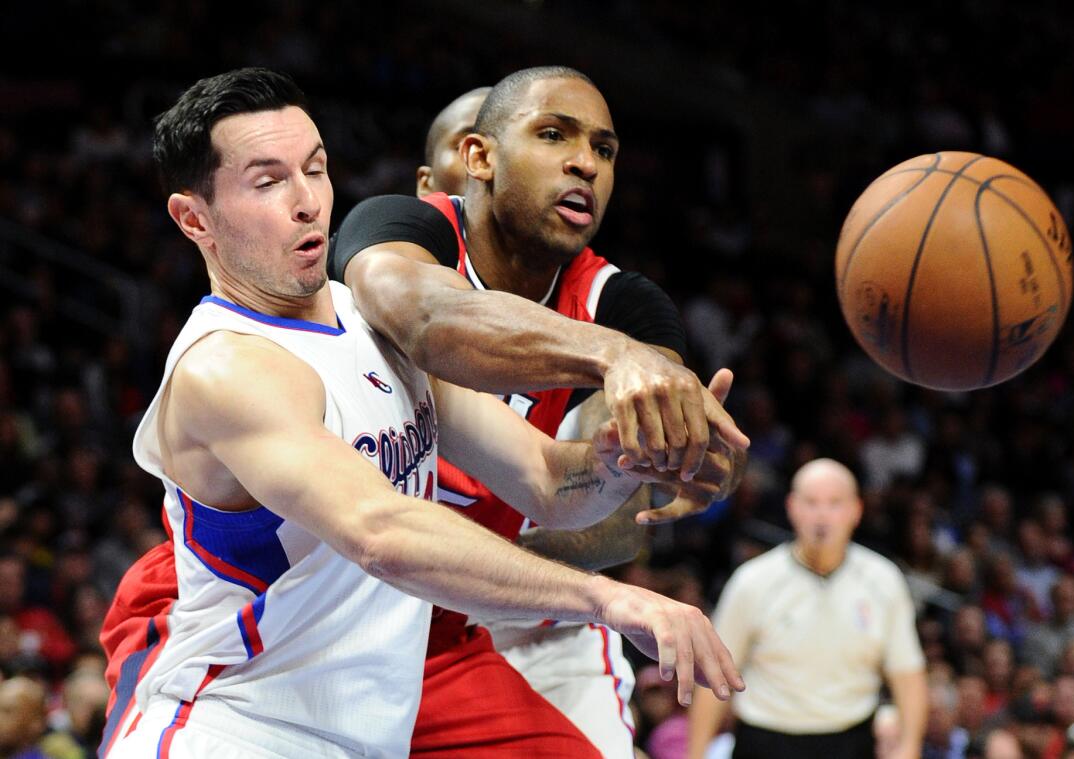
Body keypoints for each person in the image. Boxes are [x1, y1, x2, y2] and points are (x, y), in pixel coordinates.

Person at [100, 67, 743, 758]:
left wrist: (619, 463)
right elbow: (383, 531)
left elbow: (546, 477)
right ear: (194, 218)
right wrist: (613, 599)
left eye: (314, 170)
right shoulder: (227, 365)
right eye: (268, 181)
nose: (308, 202)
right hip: (237, 725)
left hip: (369, 718)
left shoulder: (365, 324)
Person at [332, 67, 744, 757]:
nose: (585, 162)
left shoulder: (626, 304)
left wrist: (665, 457)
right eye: (553, 135)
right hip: (343, 594)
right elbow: (428, 318)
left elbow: (593, 505)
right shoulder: (397, 230)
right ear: (474, 163)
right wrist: (611, 355)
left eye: (605, 150)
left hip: (508, 611)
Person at [687, 459, 928, 759]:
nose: (822, 516)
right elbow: (714, 676)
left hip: (850, 740)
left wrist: (910, 747)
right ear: (792, 507)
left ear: (856, 510)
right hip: (766, 740)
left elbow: (907, 674)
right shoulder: (752, 581)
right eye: (811, 503)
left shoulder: (883, 579)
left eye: (834, 503)